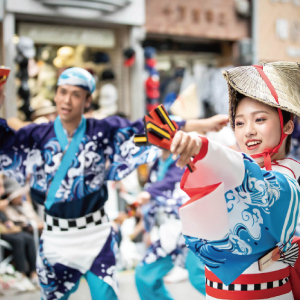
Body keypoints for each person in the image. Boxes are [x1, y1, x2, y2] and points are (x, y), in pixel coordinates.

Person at [0, 67, 228, 300]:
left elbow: (148, 129)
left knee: (106, 296)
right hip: (55, 238)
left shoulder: (103, 131)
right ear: (56, 95)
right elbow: (4, 142)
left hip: (96, 235)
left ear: (88, 100)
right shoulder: (37, 135)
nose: (67, 100)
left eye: (76, 94)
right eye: (62, 92)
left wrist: (204, 124)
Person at [170, 62, 300, 299]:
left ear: (288, 125)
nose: (248, 131)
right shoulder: (232, 168)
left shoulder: (289, 177)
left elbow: (260, 184)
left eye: (259, 119)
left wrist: (203, 147)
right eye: (239, 123)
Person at [135, 148, 206, 300]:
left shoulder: (186, 157)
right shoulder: (156, 162)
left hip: (192, 230)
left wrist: (150, 193)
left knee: (200, 278)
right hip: (167, 232)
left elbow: (172, 180)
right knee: (144, 275)